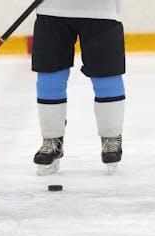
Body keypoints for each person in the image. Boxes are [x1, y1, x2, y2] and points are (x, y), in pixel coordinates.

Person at [32, 0, 126, 175]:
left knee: (106, 78)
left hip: (102, 12)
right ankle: (52, 140)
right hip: (51, 9)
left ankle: (111, 138)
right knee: (49, 79)